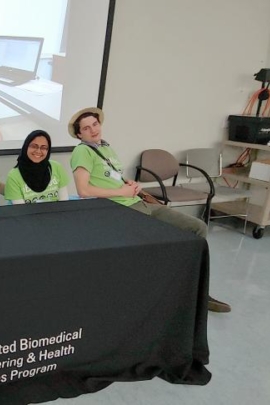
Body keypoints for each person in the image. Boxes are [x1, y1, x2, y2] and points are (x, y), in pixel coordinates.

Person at [68, 107, 231, 313]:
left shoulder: (106, 148)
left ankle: (196, 290)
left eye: (95, 124)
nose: (93, 130)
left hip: (139, 202)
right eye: (86, 128)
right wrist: (122, 193)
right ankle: (175, 291)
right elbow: (84, 190)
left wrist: (131, 184)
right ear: (79, 134)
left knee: (197, 228)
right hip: (119, 210)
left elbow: (112, 178)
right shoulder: (82, 151)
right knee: (164, 244)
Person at [5, 130, 70, 204]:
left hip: (57, 214)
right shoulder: (13, 176)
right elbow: (21, 212)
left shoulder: (57, 167)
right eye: (34, 146)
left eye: (43, 147)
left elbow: (64, 204)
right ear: (26, 147)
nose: (38, 151)